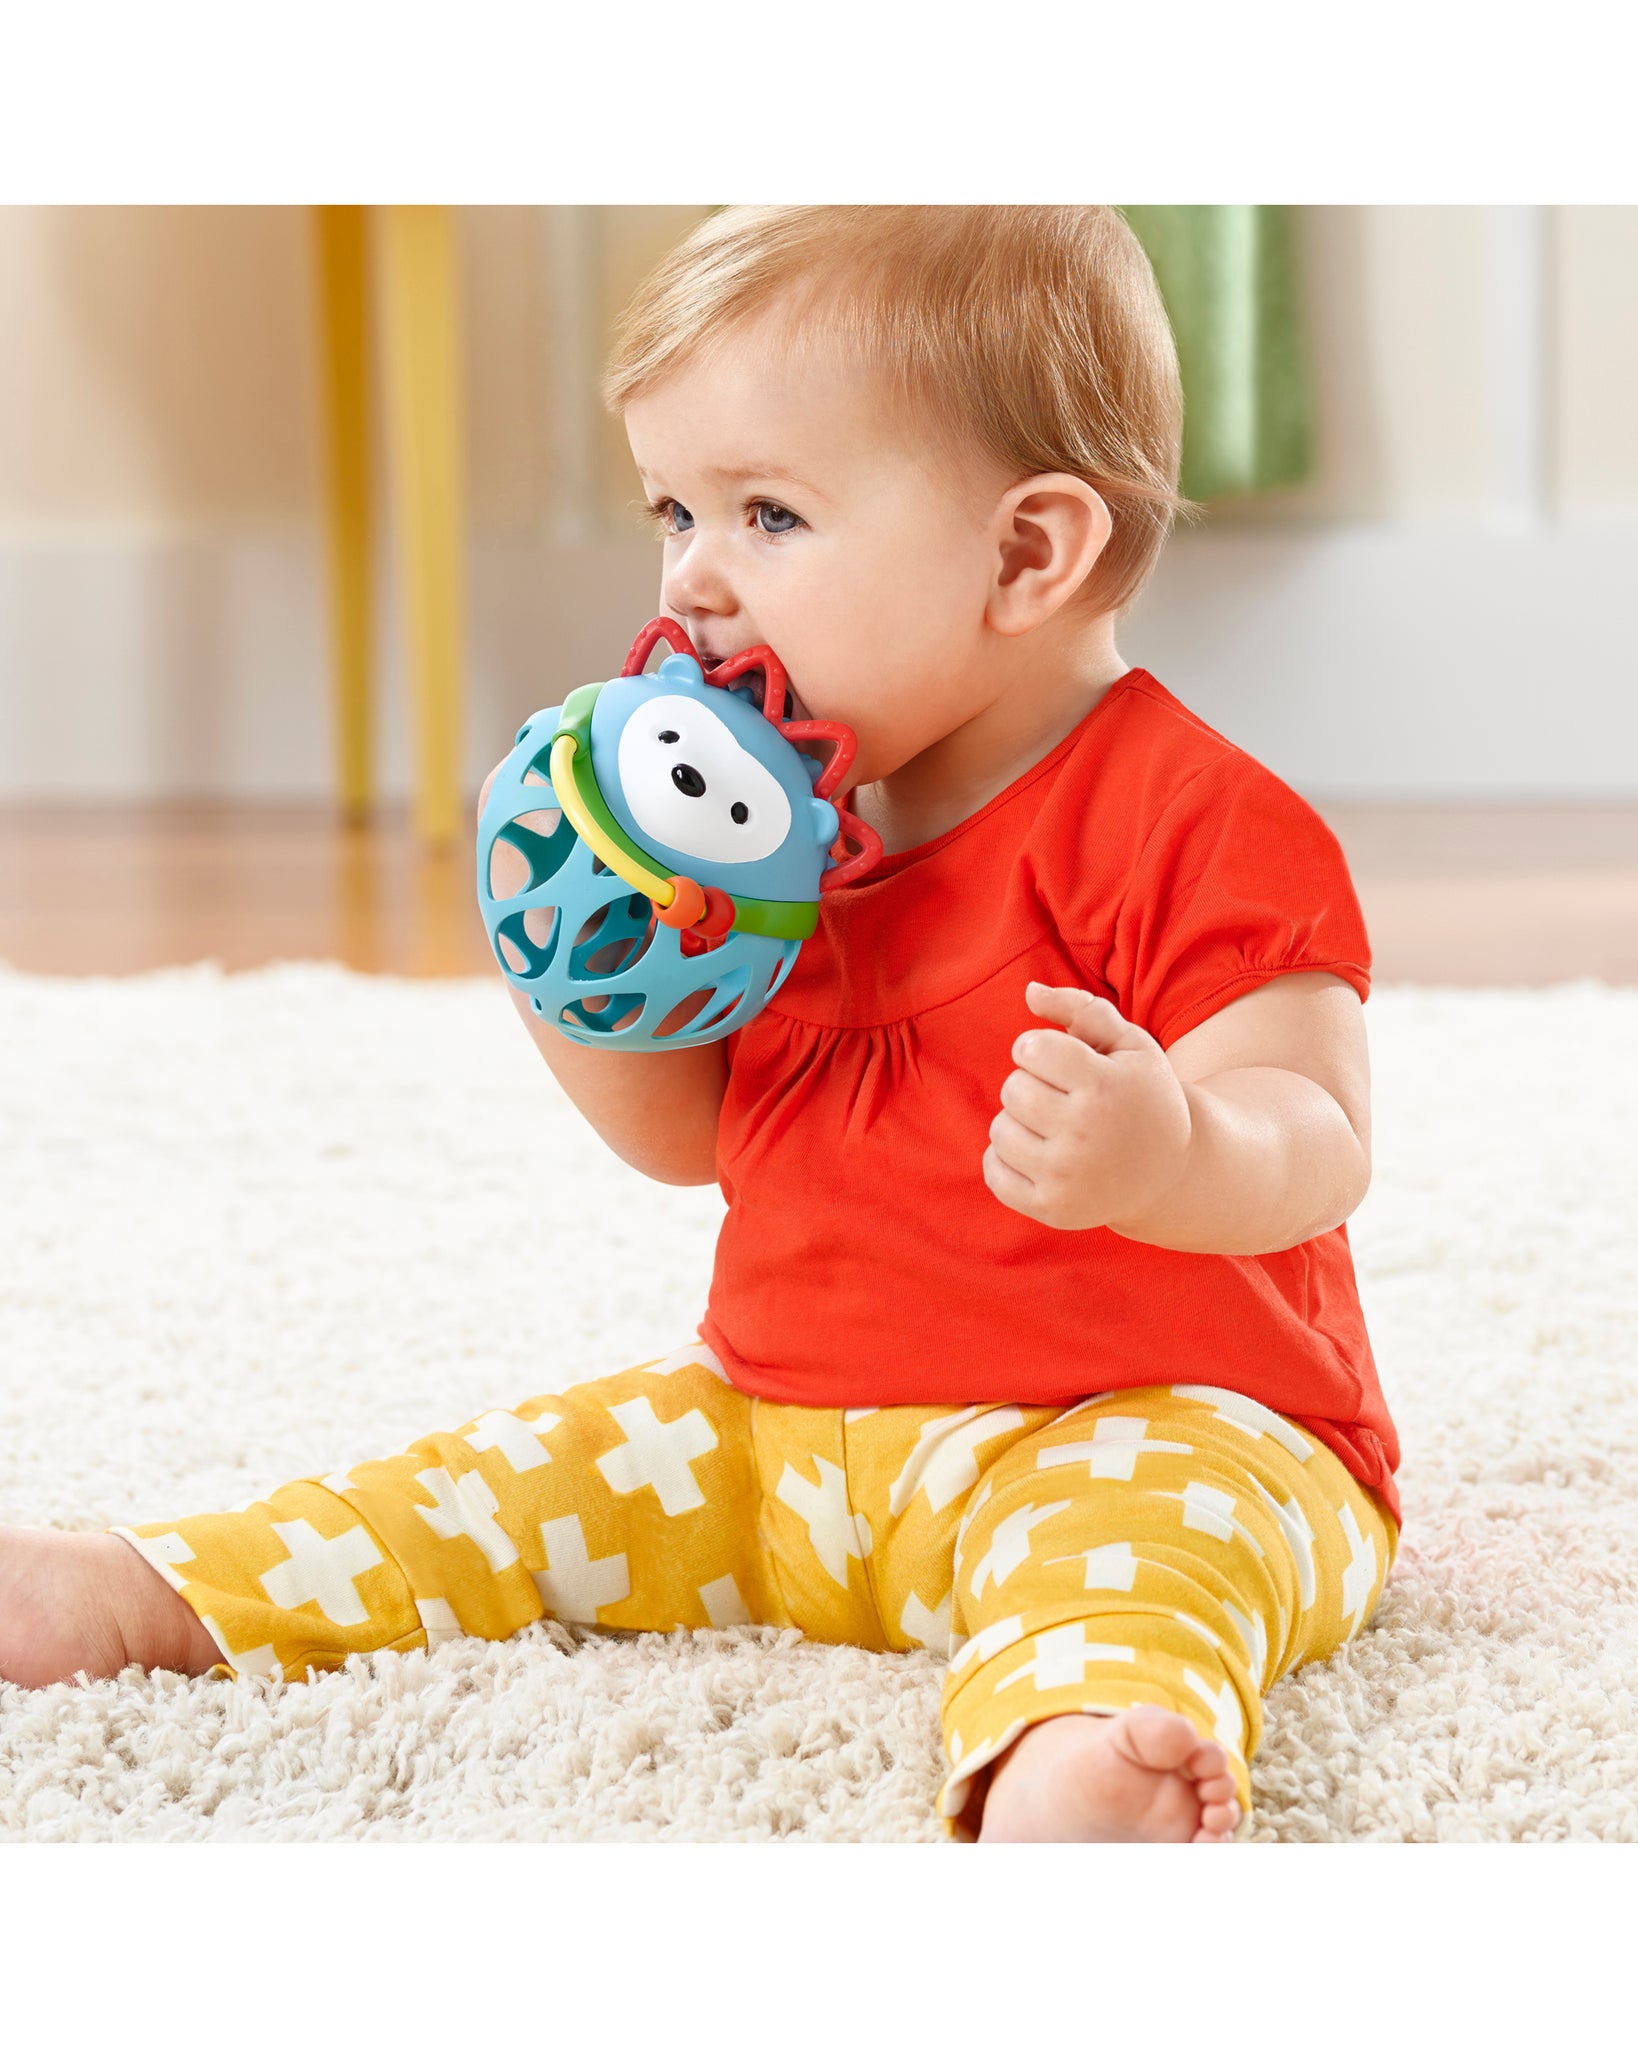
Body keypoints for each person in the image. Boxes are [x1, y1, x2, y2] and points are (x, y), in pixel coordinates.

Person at [0, 205, 1399, 1842]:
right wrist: (577, 967)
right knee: (505, 1483)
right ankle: (149, 1596)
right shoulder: (759, 843)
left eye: (767, 514)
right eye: (672, 510)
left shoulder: (1191, 818)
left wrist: (1172, 1151)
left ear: (1027, 555)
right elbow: (688, 1141)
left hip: (1150, 1416)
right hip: (781, 1431)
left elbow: (1316, 1138)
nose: (690, 579)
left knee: (1139, 1559)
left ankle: (1075, 1753)